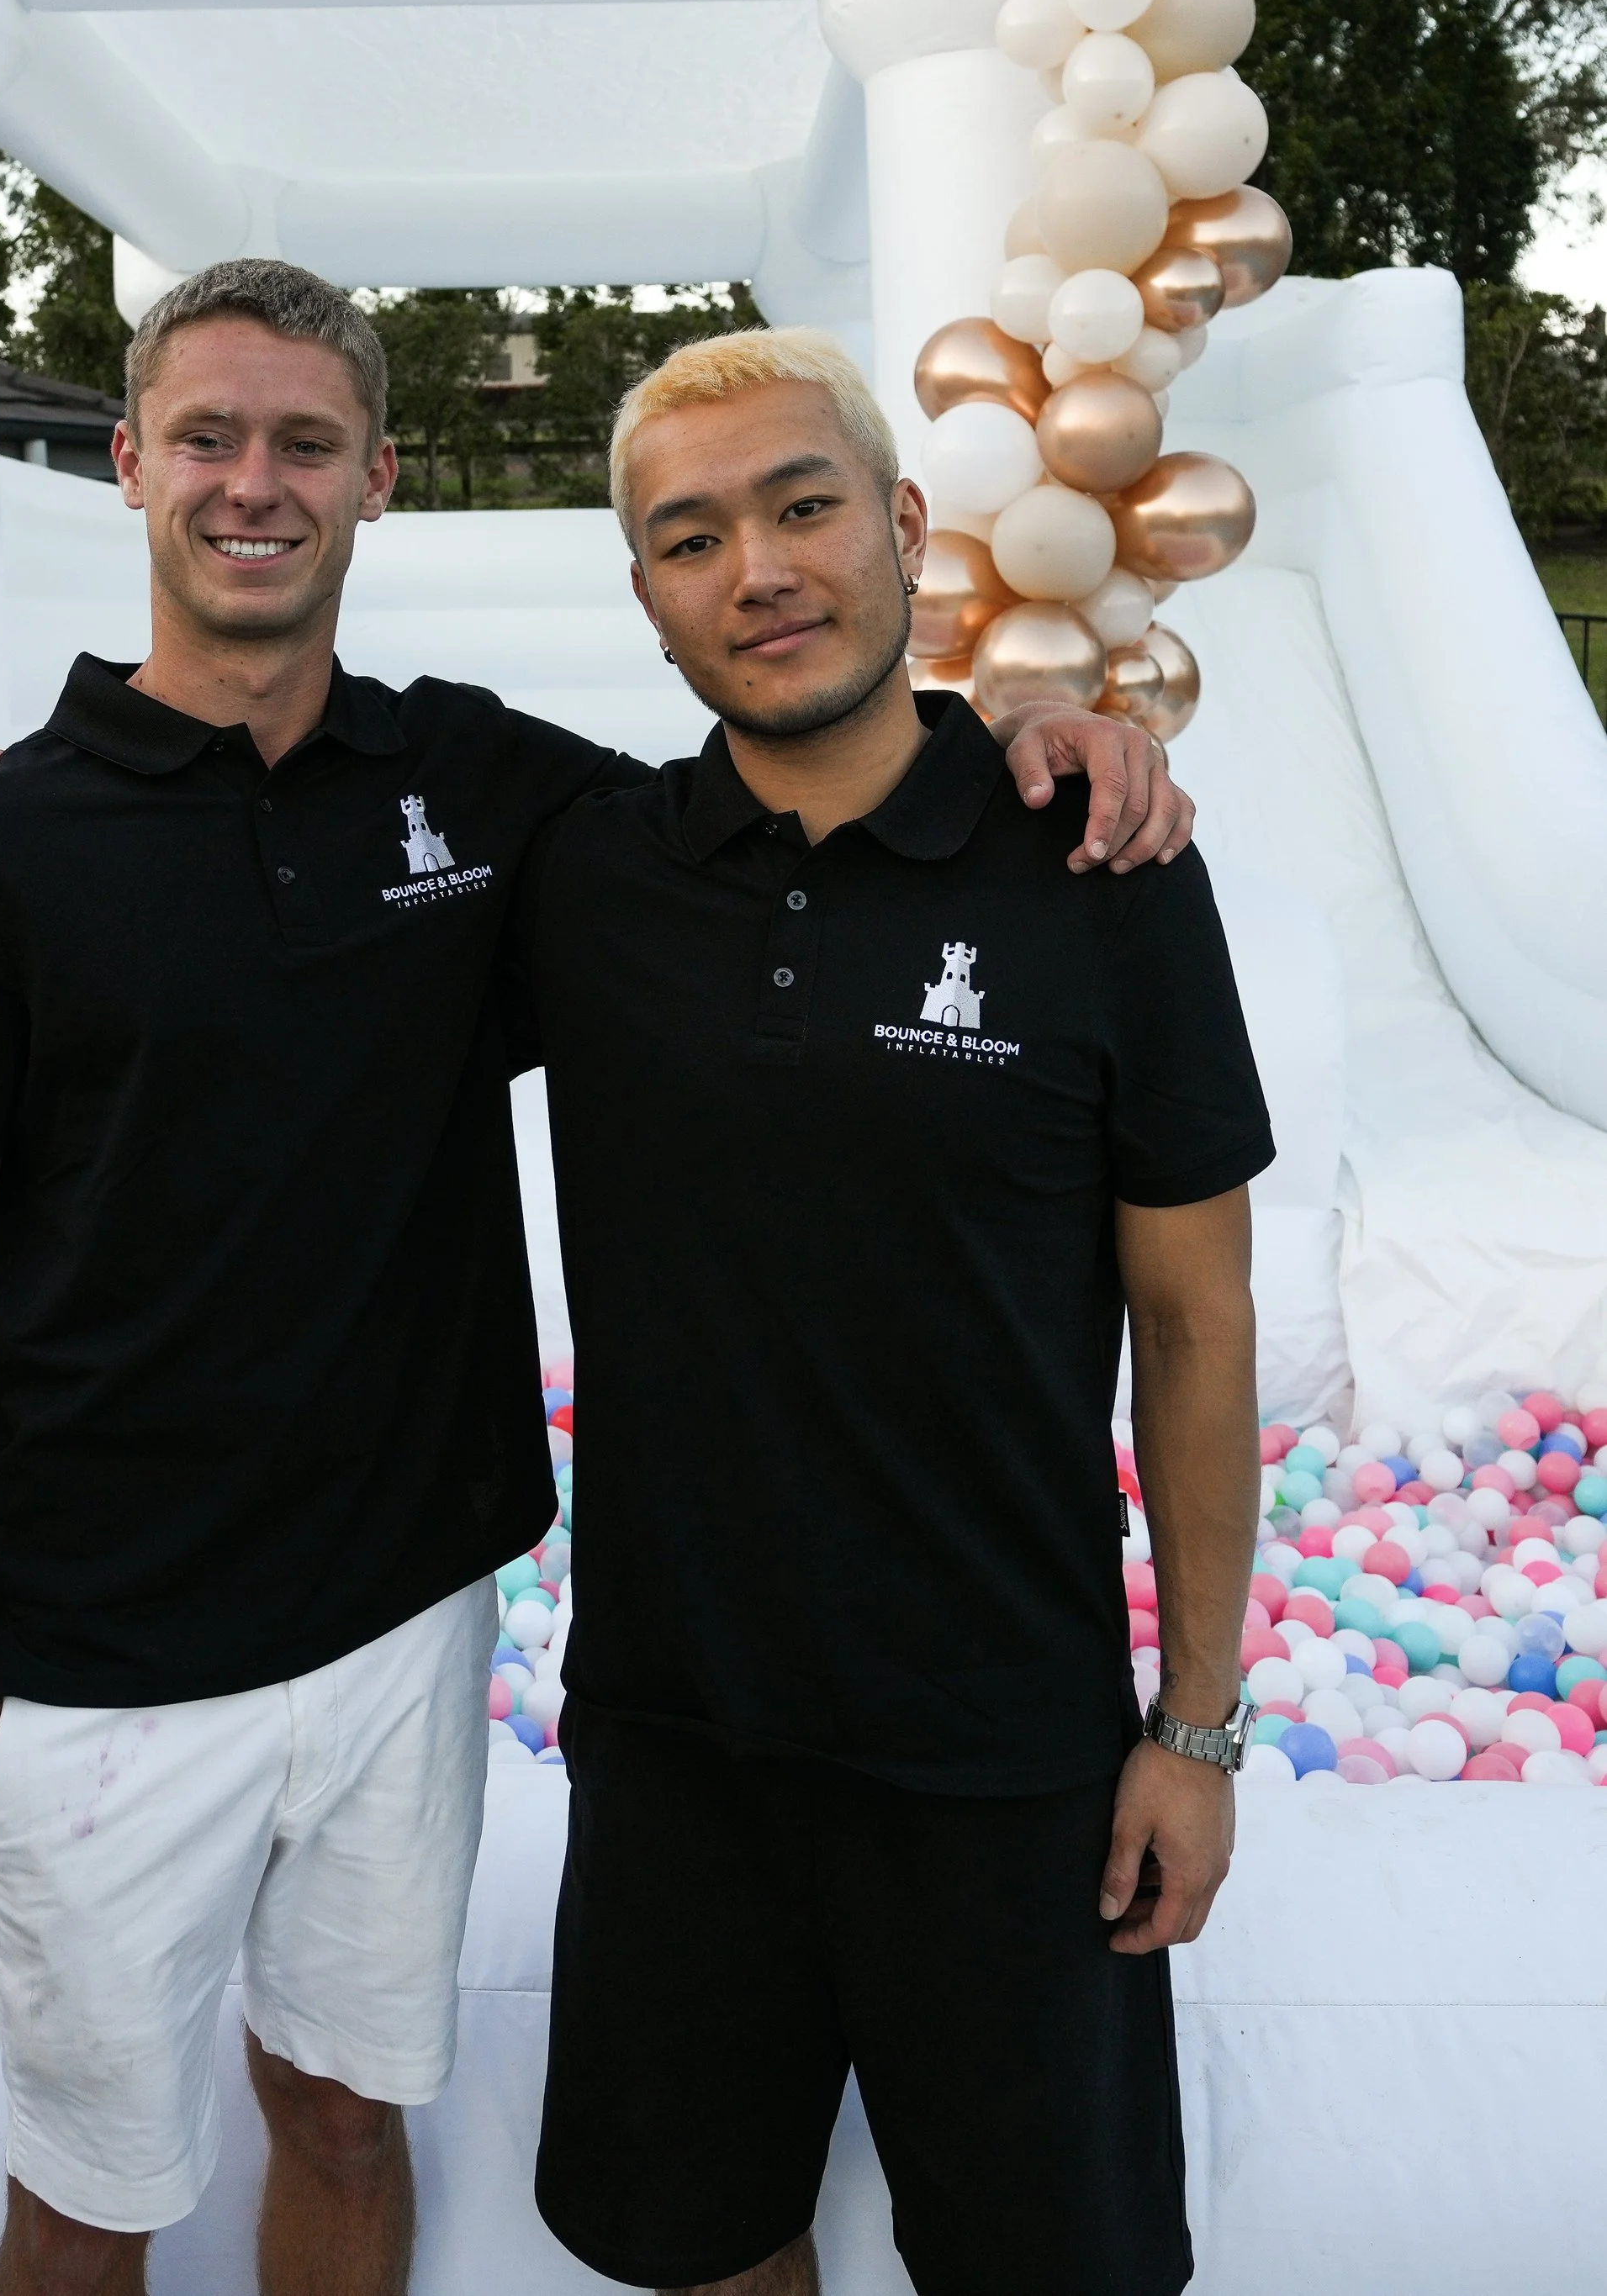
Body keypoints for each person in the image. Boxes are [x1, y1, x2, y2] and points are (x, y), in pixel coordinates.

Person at [0, 261, 1194, 2296]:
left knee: (343, 2121)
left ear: (377, 476)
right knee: (86, 2203)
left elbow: (789, 780)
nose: (252, 483)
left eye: (305, 441)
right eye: (206, 436)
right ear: (127, 461)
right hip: (106, 1658)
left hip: (404, 1631)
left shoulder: (484, 792)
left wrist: (1014, 726)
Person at [520, 327, 1271, 2296]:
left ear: (902, 523)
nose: (756, 570)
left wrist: (1194, 1726)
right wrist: (5, 806)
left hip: (1005, 1759)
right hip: (676, 1744)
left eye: (800, 505)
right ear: (644, 592)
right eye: (690, 536)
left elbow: (1196, 1324)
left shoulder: (1096, 860)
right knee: (707, 2248)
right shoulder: (585, 873)